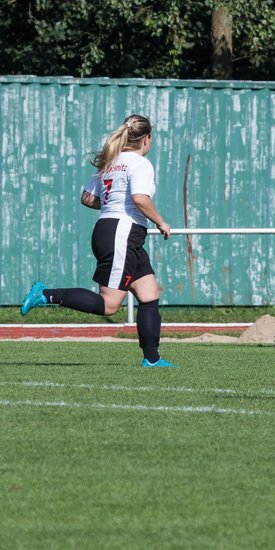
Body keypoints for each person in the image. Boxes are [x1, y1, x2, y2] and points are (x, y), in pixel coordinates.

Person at [20, 114, 175, 367]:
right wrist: (161, 222)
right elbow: (139, 198)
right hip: (122, 233)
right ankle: (44, 294)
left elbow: (87, 198)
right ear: (146, 139)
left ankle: (152, 358)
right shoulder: (140, 163)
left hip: (113, 230)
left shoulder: (111, 162)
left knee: (149, 293)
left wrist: (114, 202)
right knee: (109, 305)